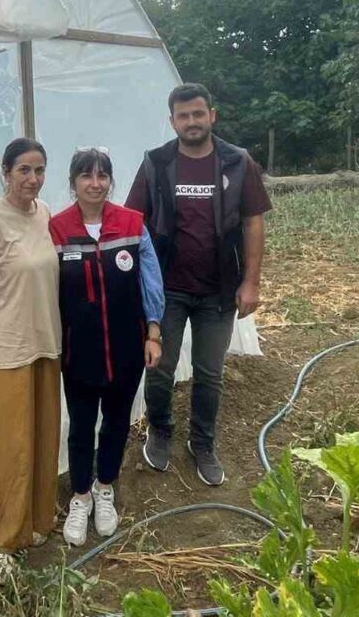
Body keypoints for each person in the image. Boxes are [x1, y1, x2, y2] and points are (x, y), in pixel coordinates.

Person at [125, 83, 271, 486]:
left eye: (197, 113)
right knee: (160, 367)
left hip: (219, 290)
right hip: (167, 289)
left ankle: (202, 443)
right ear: (172, 121)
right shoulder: (155, 164)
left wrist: (251, 282)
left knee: (210, 372)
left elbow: (252, 222)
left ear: (212, 116)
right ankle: (160, 431)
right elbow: (131, 222)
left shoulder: (238, 163)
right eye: (183, 115)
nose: (191, 121)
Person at [48, 148, 165, 547]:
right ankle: (80, 496)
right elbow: (46, 290)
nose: (95, 183)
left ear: (110, 181)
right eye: (86, 176)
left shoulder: (132, 224)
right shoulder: (57, 230)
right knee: (81, 426)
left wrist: (152, 333)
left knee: (117, 422)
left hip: (127, 347)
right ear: (73, 182)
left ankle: (105, 487)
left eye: (102, 176)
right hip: (78, 351)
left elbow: (150, 280)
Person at [0, 137, 61, 558]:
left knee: (43, 437)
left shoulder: (45, 214)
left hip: (46, 342)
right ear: (5, 173)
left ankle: (39, 521)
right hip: (8, 349)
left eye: (39, 170)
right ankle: (1, 533)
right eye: (24, 169)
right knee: (9, 445)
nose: (33, 178)